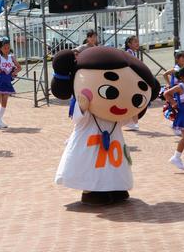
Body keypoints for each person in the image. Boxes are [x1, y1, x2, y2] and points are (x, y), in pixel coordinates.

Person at [51, 47, 160, 205]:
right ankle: (91, 191)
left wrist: (132, 114)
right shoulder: (89, 111)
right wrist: (82, 106)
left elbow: (123, 121)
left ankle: (115, 187)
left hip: (114, 142)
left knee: (113, 169)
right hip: (90, 143)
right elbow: (77, 119)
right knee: (91, 168)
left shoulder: (115, 115)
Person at [0, 36, 21, 129]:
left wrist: (13, 73)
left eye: (8, 47)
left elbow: (19, 67)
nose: (7, 49)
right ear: (0, 48)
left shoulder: (11, 57)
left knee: (4, 102)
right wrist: (0, 72)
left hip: (7, 82)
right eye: (4, 47)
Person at [124, 36, 140, 131]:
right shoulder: (129, 53)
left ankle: (133, 122)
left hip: (133, 79)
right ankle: (132, 122)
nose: (137, 43)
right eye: (135, 42)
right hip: (130, 80)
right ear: (129, 44)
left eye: (137, 41)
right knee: (134, 101)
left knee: (134, 101)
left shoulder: (132, 53)